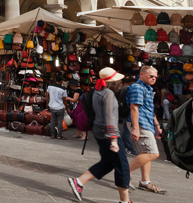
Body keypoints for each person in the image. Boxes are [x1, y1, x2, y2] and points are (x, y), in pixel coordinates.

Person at [68, 68, 131, 203]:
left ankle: (79, 181)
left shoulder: (98, 91)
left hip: (100, 132)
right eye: (117, 80)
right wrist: (113, 139)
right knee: (122, 166)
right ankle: (125, 201)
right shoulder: (108, 93)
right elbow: (109, 116)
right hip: (109, 134)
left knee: (108, 163)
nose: (120, 82)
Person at [126, 65, 166, 194]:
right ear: (141, 75)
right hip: (141, 124)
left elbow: (150, 109)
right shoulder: (138, 88)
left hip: (147, 123)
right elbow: (134, 108)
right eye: (151, 76)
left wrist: (156, 125)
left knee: (145, 153)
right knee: (153, 153)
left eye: (155, 77)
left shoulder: (147, 88)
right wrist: (136, 129)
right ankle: (125, 174)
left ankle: (145, 182)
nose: (154, 79)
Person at [118, 76, 137, 155]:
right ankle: (129, 148)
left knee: (126, 130)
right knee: (127, 131)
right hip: (127, 111)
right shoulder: (128, 89)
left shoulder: (122, 89)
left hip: (124, 111)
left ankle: (122, 146)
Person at [47, 74, 68, 140]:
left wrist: (47, 103)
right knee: (60, 121)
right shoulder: (63, 89)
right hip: (60, 107)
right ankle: (59, 135)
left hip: (52, 107)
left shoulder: (50, 87)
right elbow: (64, 99)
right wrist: (67, 107)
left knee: (53, 121)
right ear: (61, 81)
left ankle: (52, 134)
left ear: (55, 80)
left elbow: (47, 95)